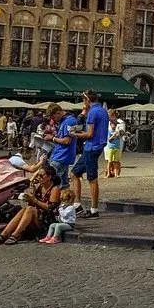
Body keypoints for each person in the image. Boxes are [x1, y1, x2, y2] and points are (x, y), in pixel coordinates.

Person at [0, 164, 56, 245]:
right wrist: (32, 194)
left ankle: (15, 235)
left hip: (47, 219)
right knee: (24, 210)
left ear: (49, 177)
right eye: (37, 175)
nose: (38, 177)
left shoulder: (54, 189)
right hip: (37, 216)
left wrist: (34, 200)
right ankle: (4, 234)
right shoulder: (40, 187)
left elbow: (50, 208)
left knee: (30, 209)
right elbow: (31, 205)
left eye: (41, 175)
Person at [69, 91, 108, 219]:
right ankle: (77, 205)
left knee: (92, 178)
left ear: (87, 100)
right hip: (97, 146)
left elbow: (89, 134)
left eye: (83, 100)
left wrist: (75, 134)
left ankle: (94, 210)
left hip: (91, 147)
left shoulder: (92, 112)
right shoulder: (103, 111)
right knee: (74, 173)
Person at [46, 105, 78, 204]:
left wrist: (52, 138)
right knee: (64, 184)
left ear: (58, 113)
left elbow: (67, 141)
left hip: (61, 156)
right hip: (63, 156)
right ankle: (66, 205)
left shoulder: (69, 121)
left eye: (53, 117)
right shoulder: (67, 121)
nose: (53, 120)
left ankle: (50, 204)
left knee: (51, 181)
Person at [104, 109, 125, 178]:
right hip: (108, 143)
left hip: (118, 142)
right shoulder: (107, 122)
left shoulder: (120, 122)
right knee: (108, 159)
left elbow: (122, 133)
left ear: (113, 115)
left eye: (109, 116)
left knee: (116, 160)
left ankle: (117, 173)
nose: (108, 118)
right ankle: (109, 173)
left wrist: (116, 133)